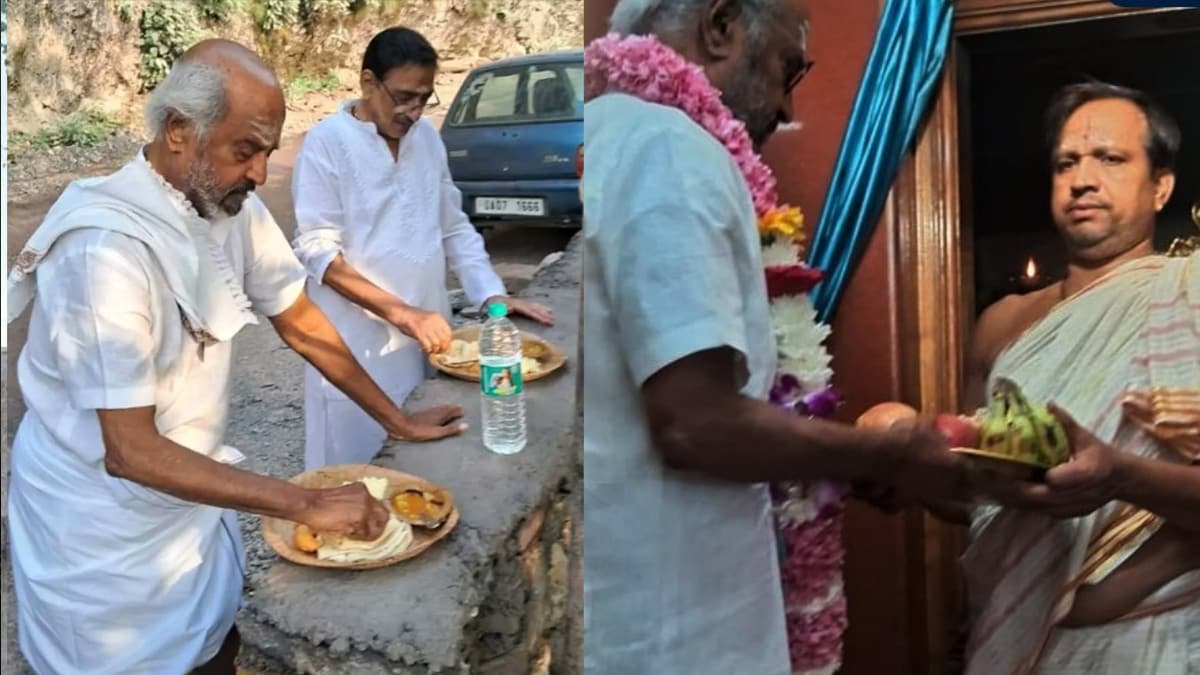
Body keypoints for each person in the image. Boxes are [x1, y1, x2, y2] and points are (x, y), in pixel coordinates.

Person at [4, 40, 465, 674]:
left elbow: (301, 321)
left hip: (188, 503)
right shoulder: (103, 250)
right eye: (245, 150)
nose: (259, 174)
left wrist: (398, 421)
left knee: (217, 645)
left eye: (268, 152)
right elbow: (130, 450)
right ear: (177, 132)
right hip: (101, 537)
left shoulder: (225, 205)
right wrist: (304, 502)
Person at [583, 1, 970, 672]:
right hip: (676, 634)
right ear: (722, 25)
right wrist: (886, 455)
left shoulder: (611, 136)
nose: (787, 106)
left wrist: (837, 459)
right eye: (787, 69)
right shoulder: (669, 147)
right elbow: (696, 424)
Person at [956, 81, 1199, 674]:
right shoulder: (1001, 326)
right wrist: (903, 459)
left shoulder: (1190, 296)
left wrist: (1121, 477)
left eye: (1111, 159)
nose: (1082, 179)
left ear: (1160, 186)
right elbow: (975, 496)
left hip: (1161, 634)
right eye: (1066, 163)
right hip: (1019, 635)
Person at [290, 26, 554, 470]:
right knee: (357, 473)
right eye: (403, 97)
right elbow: (317, 249)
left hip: (428, 337)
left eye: (424, 98)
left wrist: (490, 293)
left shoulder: (427, 139)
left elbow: (452, 224)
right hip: (355, 345)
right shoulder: (326, 143)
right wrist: (400, 311)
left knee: (421, 466)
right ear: (368, 83)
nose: (413, 111)